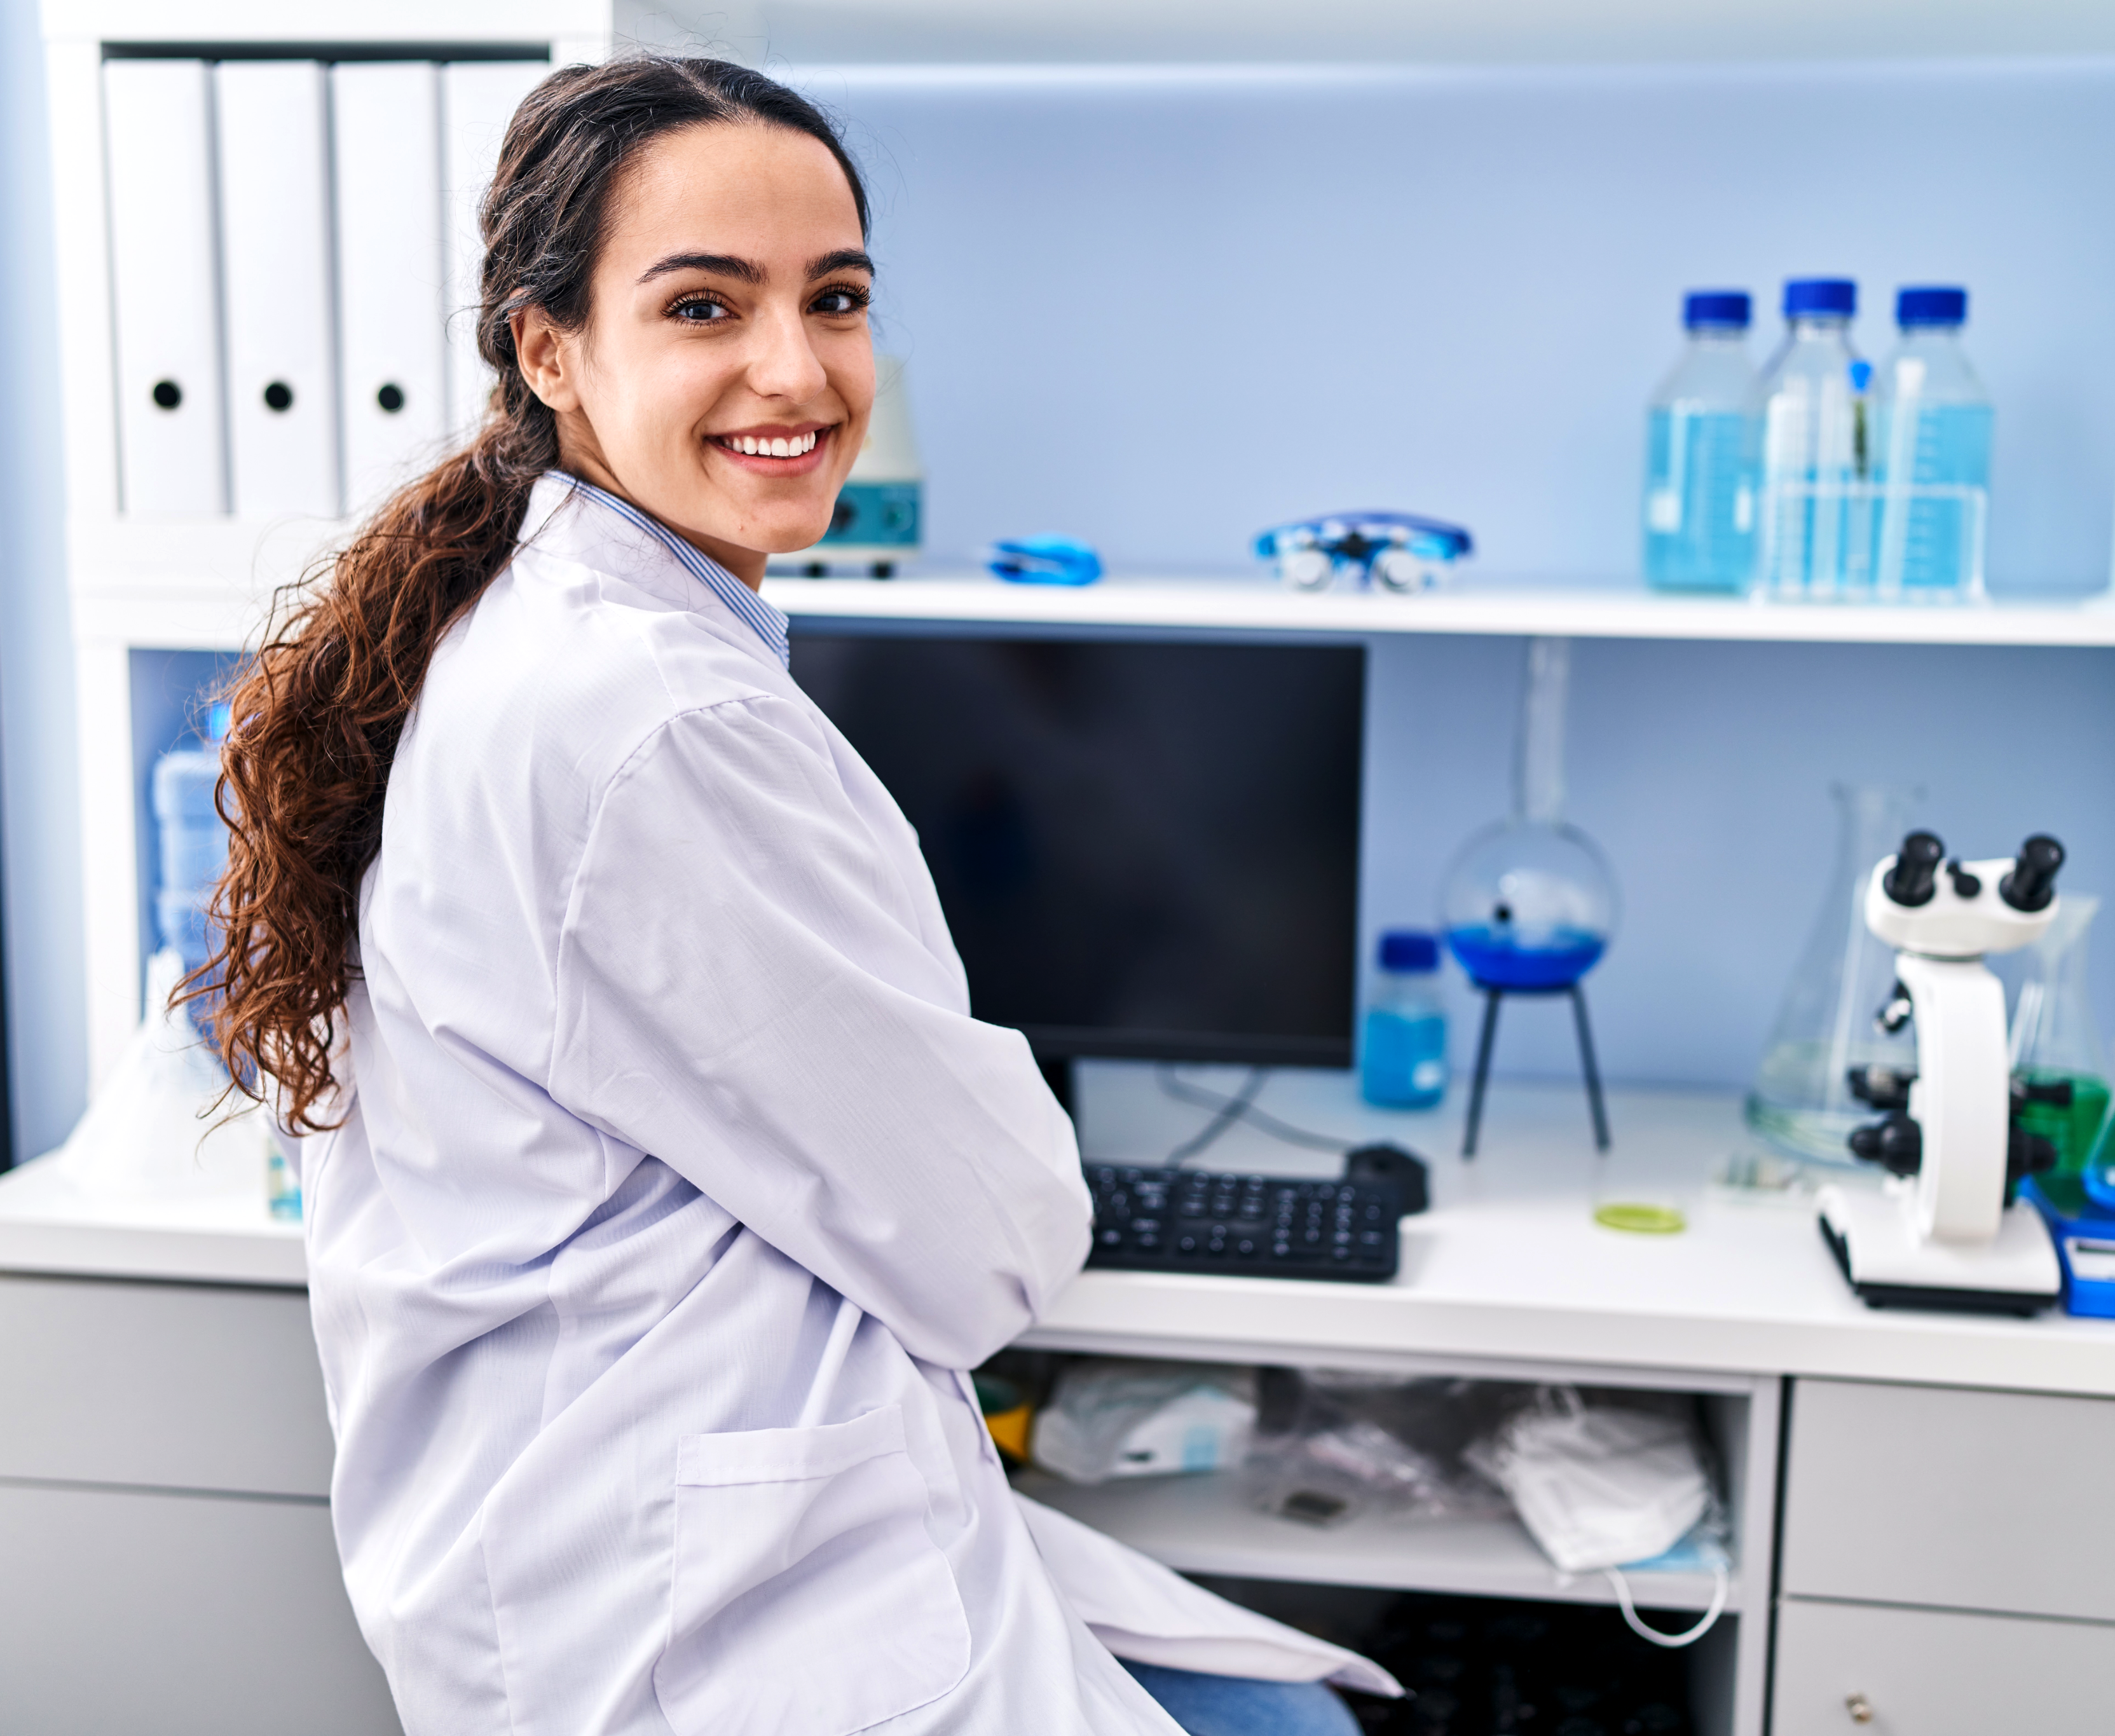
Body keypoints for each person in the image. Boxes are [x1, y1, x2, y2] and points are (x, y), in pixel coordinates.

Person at [204, 55, 1388, 1736]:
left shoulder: (552, 632)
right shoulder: (654, 720)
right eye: (705, 303)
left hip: (662, 1535)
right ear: (552, 351)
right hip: (710, 1627)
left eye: (836, 299)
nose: (798, 366)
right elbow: (996, 1247)